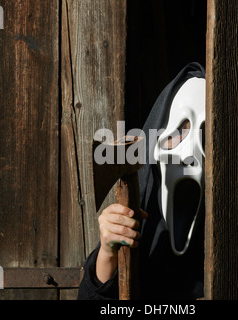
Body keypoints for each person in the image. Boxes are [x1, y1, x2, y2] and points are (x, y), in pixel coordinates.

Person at [78, 62, 205, 300]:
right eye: (179, 132)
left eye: (207, 134)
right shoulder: (137, 228)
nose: (191, 154)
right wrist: (107, 255)